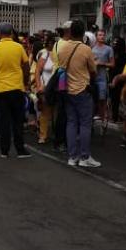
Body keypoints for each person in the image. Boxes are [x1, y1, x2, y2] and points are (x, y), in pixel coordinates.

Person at [58, 20, 99, 167]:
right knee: (85, 124)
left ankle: (72, 156)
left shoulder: (61, 48)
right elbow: (93, 71)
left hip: (66, 89)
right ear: (83, 33)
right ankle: (84, 157)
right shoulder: (86, 49)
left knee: (71, 122)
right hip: (82, 89)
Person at [0, 22, 31, 159]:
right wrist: (26, 82)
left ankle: (4, 151)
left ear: (0, 33)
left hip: (1, 88)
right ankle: (20, 150)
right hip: (16, 87)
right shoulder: (18, 47)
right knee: (17, 120)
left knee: (4, 120)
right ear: (12, 33)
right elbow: (26, 66)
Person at [34, 34, 58, 144]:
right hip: (45, 87)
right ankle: (43, 135)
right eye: (53, 42)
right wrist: (39, 86)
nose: (54, 44)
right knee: (45, 112)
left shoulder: (60, 55)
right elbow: (37, 71)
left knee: (56, 112)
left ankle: (56, 134)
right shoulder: (44, 54)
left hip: (57, 87)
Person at [92, 31, 114, 123]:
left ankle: (103, 117)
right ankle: (94, 116)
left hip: (103, 77)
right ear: (96, 37)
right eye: (100, 35)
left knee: (102, 98)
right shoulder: (91, 49)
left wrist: (103, 64)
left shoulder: (109, 49)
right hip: (92, 76)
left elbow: (112, 64)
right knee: (93, 99)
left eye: (103, 35)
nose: (102, 37)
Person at [110, 36, 126, 123]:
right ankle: (114, 116)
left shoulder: (124, 55)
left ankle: (117, 116)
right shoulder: (113, 53)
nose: (114, 45)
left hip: (120, 79)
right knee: (113, 99)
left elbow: (124, 68)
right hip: (112, 78)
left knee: (118, 98)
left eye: (116, 43)